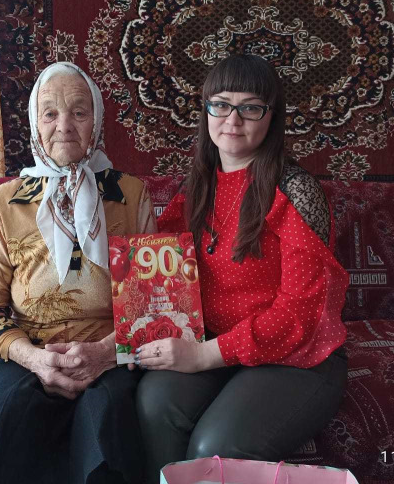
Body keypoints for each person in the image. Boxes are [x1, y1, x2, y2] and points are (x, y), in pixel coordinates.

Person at [134, 54, 349, 482]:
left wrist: (201, 356)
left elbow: (299, 315)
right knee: (155, 405)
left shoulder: (296, 191)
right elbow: (161, 275)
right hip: (216, 346)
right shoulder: (197, 187)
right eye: (221, 104)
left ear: (272, 116)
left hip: (295, 356)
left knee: (215, 447)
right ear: (206, 110)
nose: (232, 119)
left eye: (250, 108)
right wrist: (130, 340)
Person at [0, 62, 157, 484]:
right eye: (50, 113)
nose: (64, 125)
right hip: (32, 350)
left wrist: (103, 354)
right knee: (4, 418)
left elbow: (151, 303)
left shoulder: (129, 193)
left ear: (96, 121)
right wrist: (35, 359)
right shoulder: (6, 201)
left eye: (79, 112)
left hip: (110, 354)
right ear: (36, 124)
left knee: (105, 420)